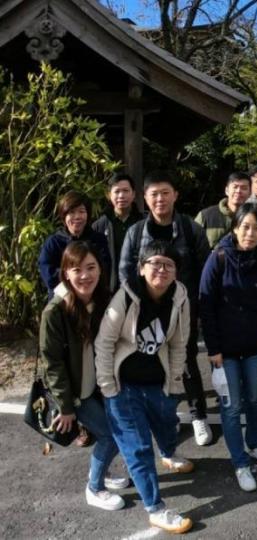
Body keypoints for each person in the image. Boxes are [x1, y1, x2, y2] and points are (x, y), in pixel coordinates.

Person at [95, 241, 195, 533]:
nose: (161, 269)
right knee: (137, 447)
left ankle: (168, 454)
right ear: (141, 268)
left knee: (167, 424)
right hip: (123, 384)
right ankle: (155, 508)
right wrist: (107, 386)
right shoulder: (126, 297)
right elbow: (104, 343)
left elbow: (179, 343)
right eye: (155, 263)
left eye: (169, 264)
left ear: (176, 271)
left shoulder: (180, 297)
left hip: (157, 381)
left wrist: (174, 381)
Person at [118, 170, 212, 446]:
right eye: (154, 194)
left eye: (165, 193)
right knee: (150, 363)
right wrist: (136, 306)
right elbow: (125, 272)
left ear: (175, 196)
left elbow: (206, 269)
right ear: (145, 199)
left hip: (184, 309)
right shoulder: (136, 232)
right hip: (147, 311)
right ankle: (160, 418)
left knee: (186, 361)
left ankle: (199, 416)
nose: (160, 199)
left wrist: (198, 307)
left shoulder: (189, 228)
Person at [198, 203, 257, 492]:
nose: (250, 232)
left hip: (256, 346)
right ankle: (240, 462)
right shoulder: (219, 257)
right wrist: (213, 348)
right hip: (225, 351)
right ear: (234, 227)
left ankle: (256, 445)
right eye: (245, 226)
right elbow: (206, 304)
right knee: (232, 407)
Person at [40, 242, 125, 511]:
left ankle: (100, 473)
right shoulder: (55, 311)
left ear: (101, 270)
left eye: (91, 267)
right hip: (78, 394)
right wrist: (66, 407)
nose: (85, 275)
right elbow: (52, 363)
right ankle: (94, 487)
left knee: (110, 435)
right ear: (65, 273)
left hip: (99, 386)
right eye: (76, 269)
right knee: (111, 436)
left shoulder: (104, 300)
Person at [39, 191, 111, 299]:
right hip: (62, 298)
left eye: (81, 211)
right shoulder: (53, 242)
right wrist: (72, 280)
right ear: (64, 216)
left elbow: (104, 269)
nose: (77, 217)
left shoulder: (98, 240)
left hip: (93, 297)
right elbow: (48, 274)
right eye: (71, 212)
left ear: (88, 214)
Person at [92, 173, 143, 292]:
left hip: (138, 286)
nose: (121, 195)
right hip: (108, 288)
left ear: (133, 194)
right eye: (117, 191)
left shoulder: (144, 222)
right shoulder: (99, 226)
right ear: (108, 195)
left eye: (126, 191)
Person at [195, 172, 252, 248]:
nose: (238, 191)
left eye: (244, 188)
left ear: (250, 193)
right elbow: (191, 243)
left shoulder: (253, 217)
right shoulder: (206, 215)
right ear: (227, 190)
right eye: (235, 187)